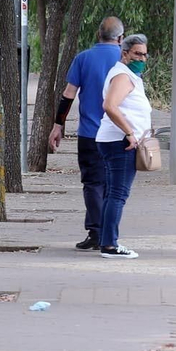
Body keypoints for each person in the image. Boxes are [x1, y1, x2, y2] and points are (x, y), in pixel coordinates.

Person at [48, 17, 124, 251]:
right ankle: (108, 235)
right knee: (113, 185)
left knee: (92, 183)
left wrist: (58, 125)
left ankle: (96, 232)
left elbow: (68, 95)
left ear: (98, 34)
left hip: (89, 134)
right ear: (120, 38)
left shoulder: (83, 58)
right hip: (119, 133)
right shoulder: (125, 60)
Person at [96, 34, 152, 260]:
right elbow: (110, 106)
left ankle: (106, 240)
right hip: (120, 142)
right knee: (118, 194)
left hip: (116, 140)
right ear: (125, 53)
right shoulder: (122, 76)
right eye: (137, 54)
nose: (142, 59)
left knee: (113, 193)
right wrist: (129, 133)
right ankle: (110, 245)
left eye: (145, 54)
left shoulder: (129, 75)